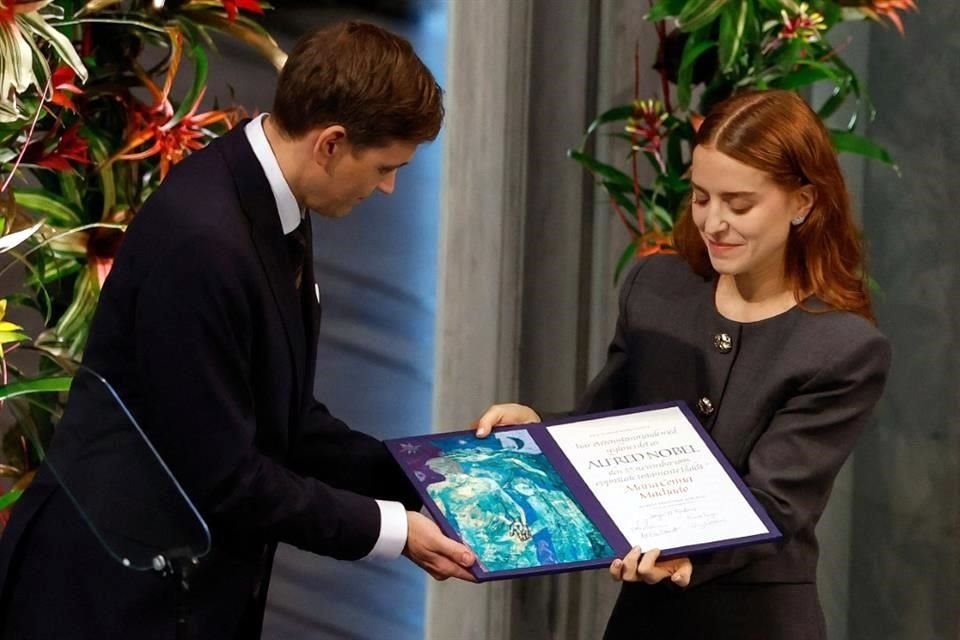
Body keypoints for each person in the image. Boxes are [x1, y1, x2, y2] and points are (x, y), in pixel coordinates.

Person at [0, 20, 474, 640]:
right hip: (108, 598)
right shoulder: (204, 243)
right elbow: (226, 476)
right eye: (386, 166)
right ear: (330, 143)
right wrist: (392, 530)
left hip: (182, 590)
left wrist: (440, 475)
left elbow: (289, 423)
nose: (388, 188)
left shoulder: (272, 202)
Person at [473, 89, 891, 639]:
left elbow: (778, 503)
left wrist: (688, 557)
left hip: (753, 621)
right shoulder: (656, 287)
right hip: (645, 618)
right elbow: (605, 429)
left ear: (803, 203)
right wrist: (539, 438)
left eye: (739, 205)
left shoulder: (841, 347)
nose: (714, 222)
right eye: (700, 198)